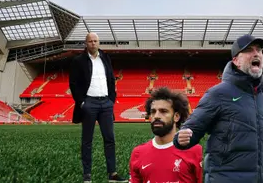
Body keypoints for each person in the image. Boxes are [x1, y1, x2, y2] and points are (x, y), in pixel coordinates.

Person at [173, 34, 263, 183]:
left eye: (259, 50)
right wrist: (181, 138)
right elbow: (191, 130)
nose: (256, 53)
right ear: (236, 61)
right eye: (249, 50)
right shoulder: (218, 94)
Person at [69, 32, 127, 183]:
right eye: (90, 41)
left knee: (110, 139)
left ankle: (112, 174)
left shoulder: (105, 58)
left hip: (106, 104)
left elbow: (111, 79)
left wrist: (111, 100)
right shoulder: (78, 60)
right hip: (89, 104)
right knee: (87, 140)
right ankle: (87, 175)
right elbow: (73, 83)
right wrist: (82, 102)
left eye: (95, 41)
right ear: (86, 43)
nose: (93, 43)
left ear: (99, 42)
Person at [129, 87, 203, 183]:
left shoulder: (194, 151)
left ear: (176, 116)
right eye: (153, 112)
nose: (156, 116)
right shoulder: (138, 153)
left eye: (163, 111)